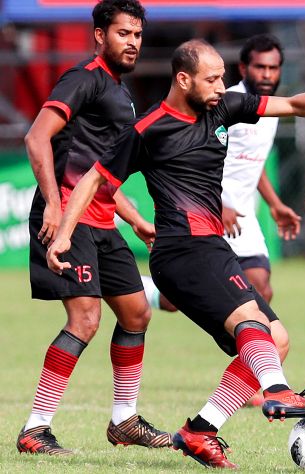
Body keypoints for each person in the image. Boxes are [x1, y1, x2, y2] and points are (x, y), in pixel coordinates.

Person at [47, 39, 305, 468]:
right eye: (212, 79)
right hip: (182, 249)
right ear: (183, 79)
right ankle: (277, 390)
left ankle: (200, 430)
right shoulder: (149, 129)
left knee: (276, 341)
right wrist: (63, 235)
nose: (222, 87)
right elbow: (92, 180)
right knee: (250, 321)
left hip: (210, 246)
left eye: (222, 78)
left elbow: (295, 104)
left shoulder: (224, 108)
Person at [18, 0, 170, 456]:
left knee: (137, 313)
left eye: (137, 35)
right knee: (85, 318)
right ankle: (35, 429)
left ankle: (124, 421)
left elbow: (99, 173)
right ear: (100, 35)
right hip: (68, 219)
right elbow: (36, 137)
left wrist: (137, 220)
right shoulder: (82, 78)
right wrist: (52, 204)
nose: (133, 42)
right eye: (124, 33)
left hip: (102, 221)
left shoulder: (120, 92)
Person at [140, 34, 298, 405]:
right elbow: (205, 159)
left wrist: (275, 203)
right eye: (260, 66)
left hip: (243, 215)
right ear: (245, 68)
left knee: (260, 290)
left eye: (274, 67)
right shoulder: (223, 102)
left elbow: (254, 163)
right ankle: (136, 289)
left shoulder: (264, 108)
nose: (267, 73)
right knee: (219, 301)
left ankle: (252, 384)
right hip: (210, 217)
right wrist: (221, 203)